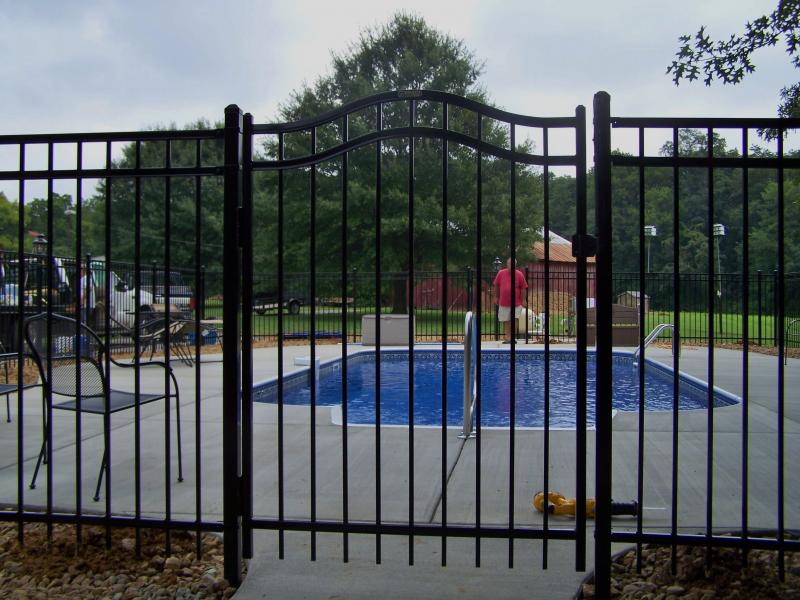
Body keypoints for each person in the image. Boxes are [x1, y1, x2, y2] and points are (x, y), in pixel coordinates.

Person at [493, 258, 527, 343]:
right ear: (507, 264)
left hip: (516, 303)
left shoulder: (519, 274)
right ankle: (507, 337)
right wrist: (496, 297)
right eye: (509, 264)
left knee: (514, 319)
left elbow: (523, 288)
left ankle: (512, 337)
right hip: (504, 302)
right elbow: (496, 285)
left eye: (512, 264)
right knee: (506, 320)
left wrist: (523, 300)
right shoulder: (501, 273)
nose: (511, 266)